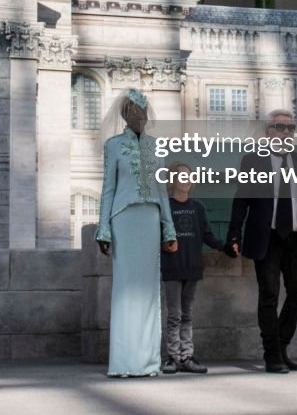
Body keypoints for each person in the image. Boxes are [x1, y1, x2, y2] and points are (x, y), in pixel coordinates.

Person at [227, 110, 297, 373]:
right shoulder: (253, 161)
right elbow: (241, 200)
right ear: (268, 132)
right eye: (279, 127)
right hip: (267, 237)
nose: (285, 133)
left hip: (295, 237)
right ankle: (272, 354)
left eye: (289, 128)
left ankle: (281, 346)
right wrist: (234, 233)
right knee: (269, 294)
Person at [95, 88, 177, 377]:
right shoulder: (113, 146)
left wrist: (169, 229)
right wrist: (103, 228)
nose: (140, 116)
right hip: (124, 220)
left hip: (150, 220)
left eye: (143, 111)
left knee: (149, 291)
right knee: (125, 291)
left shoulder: (157, 147)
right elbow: (108, 190)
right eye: (134, 112)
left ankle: (148, 362)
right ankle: (123, 362)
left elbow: (163, 192)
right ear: (125, 115)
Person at [160, 161, 235, 375]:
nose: (186, 180)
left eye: (189, 176)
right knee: (174, 314)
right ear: (173, 180)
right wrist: (164, 244)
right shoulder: (165, 206)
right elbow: (158, 235)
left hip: (192, 267)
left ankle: (187, 356)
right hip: (172, 267)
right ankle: (173, 357)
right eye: (181, 176)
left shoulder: (197, 207)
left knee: (188, 314)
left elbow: (208, 235)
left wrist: (226, 247)